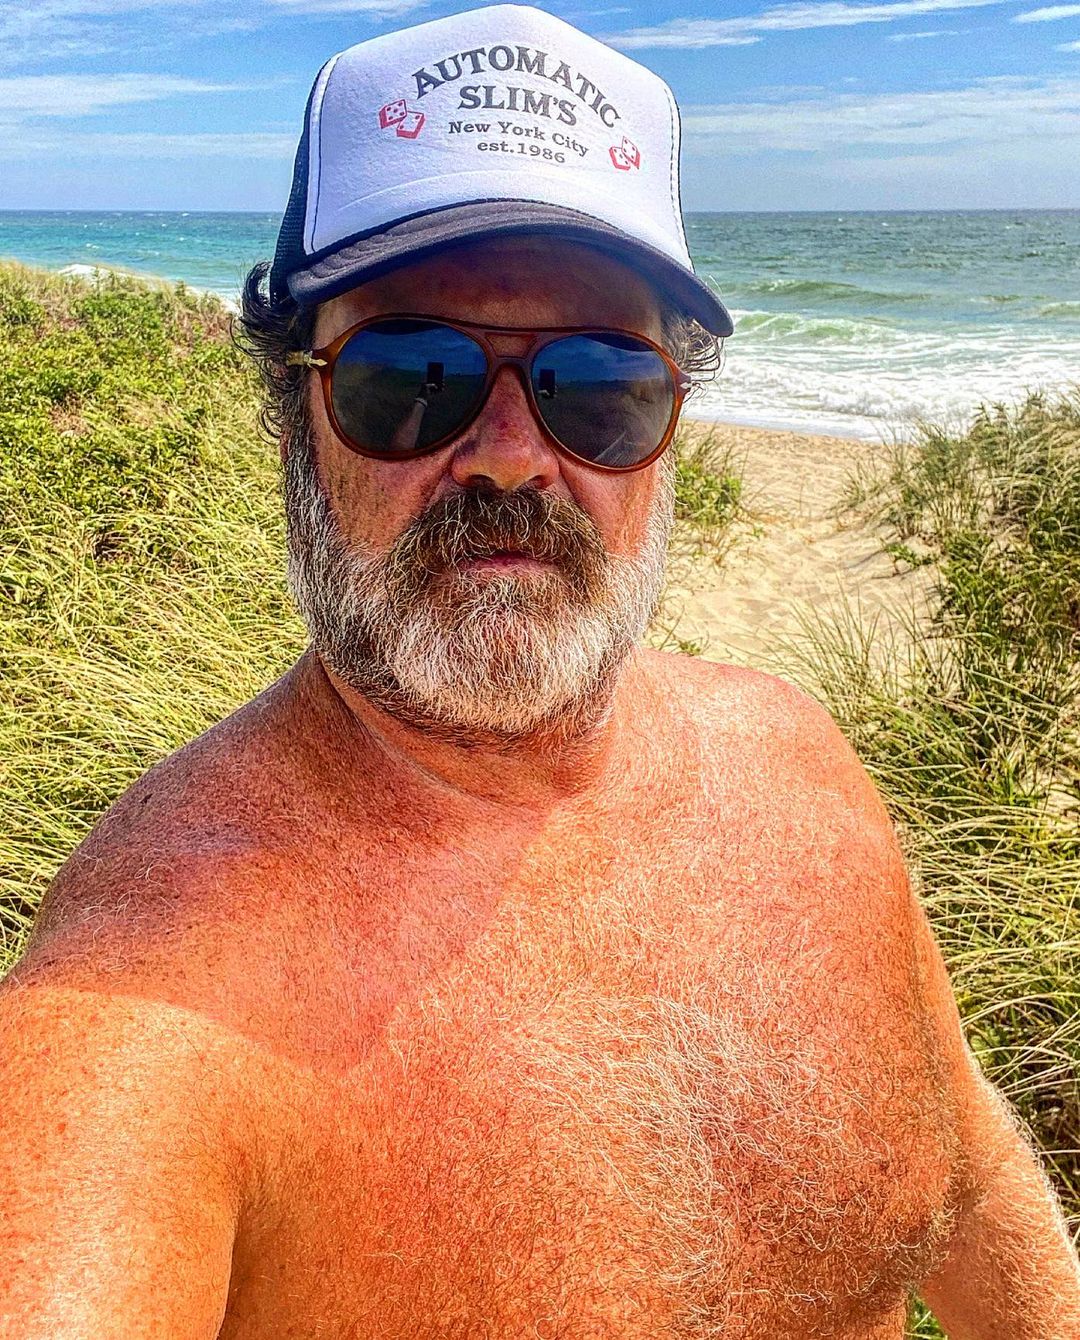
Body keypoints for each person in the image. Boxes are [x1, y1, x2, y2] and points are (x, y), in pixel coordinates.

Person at [1, 6, 1077, 1338]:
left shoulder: (801, 770)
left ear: (672, 428)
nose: (512, 456)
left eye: (598, 384)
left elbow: (959, 1159)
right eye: (411, 376)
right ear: (295, 420)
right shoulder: (143, 1007)